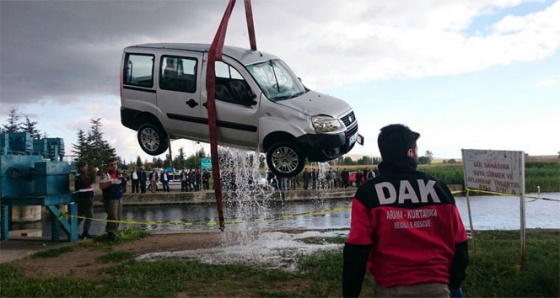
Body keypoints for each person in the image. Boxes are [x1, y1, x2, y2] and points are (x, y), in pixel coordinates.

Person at [342, 124, 469, 298]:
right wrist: (454, 282)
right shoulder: (438, 188)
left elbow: (357, 251)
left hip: (391, 289)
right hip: (437, 287)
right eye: (416, 151)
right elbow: (460, 243)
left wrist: (350, 293)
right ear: (410, 153)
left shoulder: (368, 192)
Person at [99, 158, 124, 242]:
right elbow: (101, 186)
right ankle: (110, 233)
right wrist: (112, 182)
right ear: (108, 166)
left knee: (119, 217)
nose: (114, 166)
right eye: (111, 165)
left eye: (115, 164)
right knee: (113, 216)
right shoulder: (105, 175)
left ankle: (114, 232)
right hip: (110, 199)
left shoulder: (118, 173)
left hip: (119, 197)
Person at [74, 161, 98, 239]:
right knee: (90, 216)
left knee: (80, 217)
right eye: (85, 166)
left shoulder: (83, 175)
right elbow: (87, 182)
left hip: (86, 197)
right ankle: (85, 232)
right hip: (84, 199)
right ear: (81, 168)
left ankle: (74, 232)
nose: (87, 168)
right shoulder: (79, 176)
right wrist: (94, 173)